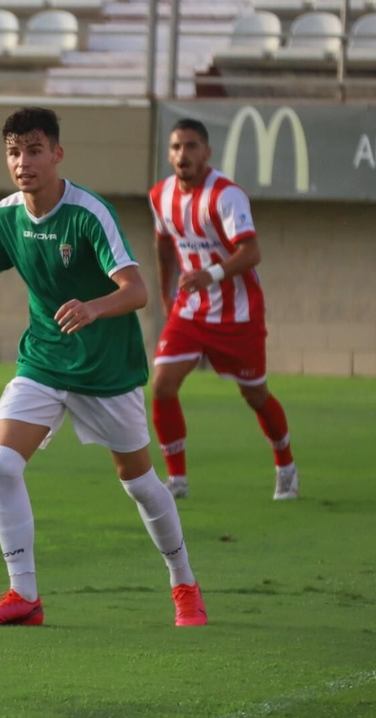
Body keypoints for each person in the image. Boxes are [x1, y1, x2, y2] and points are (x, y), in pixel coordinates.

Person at [0, 107, 207, 628]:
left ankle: (184, 583)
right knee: (1, 464)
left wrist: (93, 308)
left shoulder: (88, 213)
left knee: (140, 484)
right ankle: (24, 596)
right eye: (13, 152)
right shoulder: (3, 218)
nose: (22, 162)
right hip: (44, 361)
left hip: (106, 370)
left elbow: (137, 291)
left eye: (34, 151)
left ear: (57, 154)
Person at [149, 118, 298, 501]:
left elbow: (251, 252)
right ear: (169, 154)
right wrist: (166, 294)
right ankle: (177, 480)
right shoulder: (160, 195)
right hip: (190, 310)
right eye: (176, 147)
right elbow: (163, 245)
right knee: (162, 384)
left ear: (207, 152)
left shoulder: (226, 195)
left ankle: (285, 466)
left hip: (238, 314)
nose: (183, 154)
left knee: (255, 394)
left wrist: (210, 274)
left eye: (192, 146)